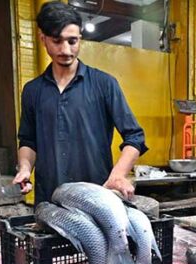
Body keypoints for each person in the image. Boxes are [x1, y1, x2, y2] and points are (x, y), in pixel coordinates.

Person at [13, 1, 147, 204]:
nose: (66, 49)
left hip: (96, 199)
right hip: (50, 200)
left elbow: (134, 136)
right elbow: (28, 141)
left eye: (72, 41)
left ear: (80, 39)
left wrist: (118, 174)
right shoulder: (32, 91)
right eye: (57, 41)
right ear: (43, 39)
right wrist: (24, 168)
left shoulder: (104, 84)